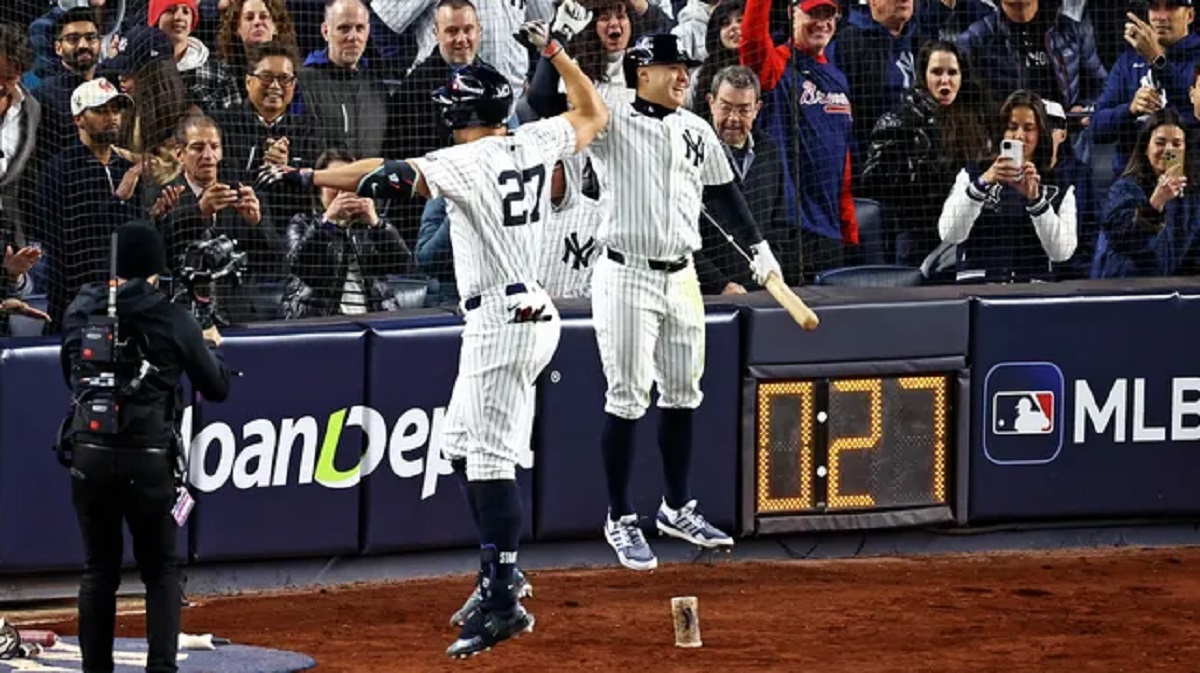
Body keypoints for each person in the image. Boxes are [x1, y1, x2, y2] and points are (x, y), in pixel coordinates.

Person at [256, 22, 607, 658]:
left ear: (458, 111)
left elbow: (381, 175)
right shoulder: (534, 140)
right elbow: (593, 110)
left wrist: (307, 177)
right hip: (516, 313)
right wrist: (556, 54)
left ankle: (504, 600)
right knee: (460, 449)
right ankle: (499, 574)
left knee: (490, 461)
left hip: (506, 319)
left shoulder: (466, 161)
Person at [586, 33, 782, 572]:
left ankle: (676, 506)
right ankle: (619, 516)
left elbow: (723, 195)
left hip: (682, 275)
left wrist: (760, 252)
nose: (683, 77)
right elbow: (543, 106)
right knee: (627, 397)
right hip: (626, 273)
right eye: (672, 67)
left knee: (682, 394)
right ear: (640, 70)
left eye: (686, 68)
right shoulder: (612, 118)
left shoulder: (696, 128)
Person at [59, 221, 232, 673]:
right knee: (160, 572)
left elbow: (69, 373)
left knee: (98, 572)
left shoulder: (81, 307)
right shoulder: (173, 316)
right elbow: (215, 388)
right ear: (157, 268)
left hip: (88, 455)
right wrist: (208, 349)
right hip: (149, 462)